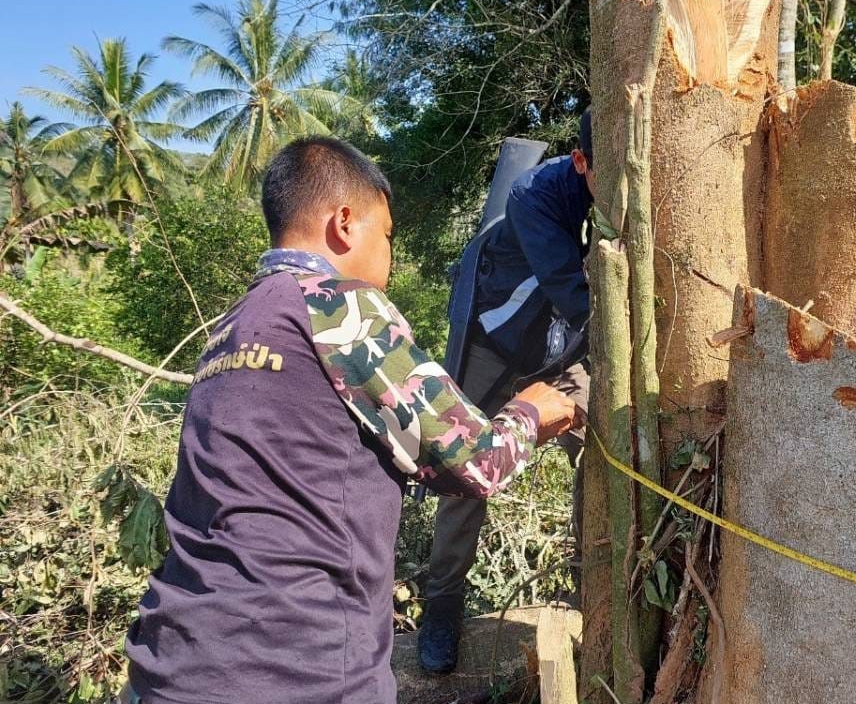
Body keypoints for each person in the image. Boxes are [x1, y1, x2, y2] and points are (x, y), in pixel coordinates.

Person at [119, 137, 578, 704]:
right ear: (344, 223)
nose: (390, 256)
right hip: (295, 670)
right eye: (386, 235)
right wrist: (532, 410)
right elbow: (473, 462)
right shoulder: (339, 306)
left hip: (171, 666)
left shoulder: (232, 327)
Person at [418, 110, 594, 674]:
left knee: (603, 452)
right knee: (464, 476)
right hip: (495, 343)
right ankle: (441, 607)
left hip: (559, 349)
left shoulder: (633, 186)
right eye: (601, 175)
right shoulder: (534, 196)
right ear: (580, 162)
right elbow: (579, 299)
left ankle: (598, 587)